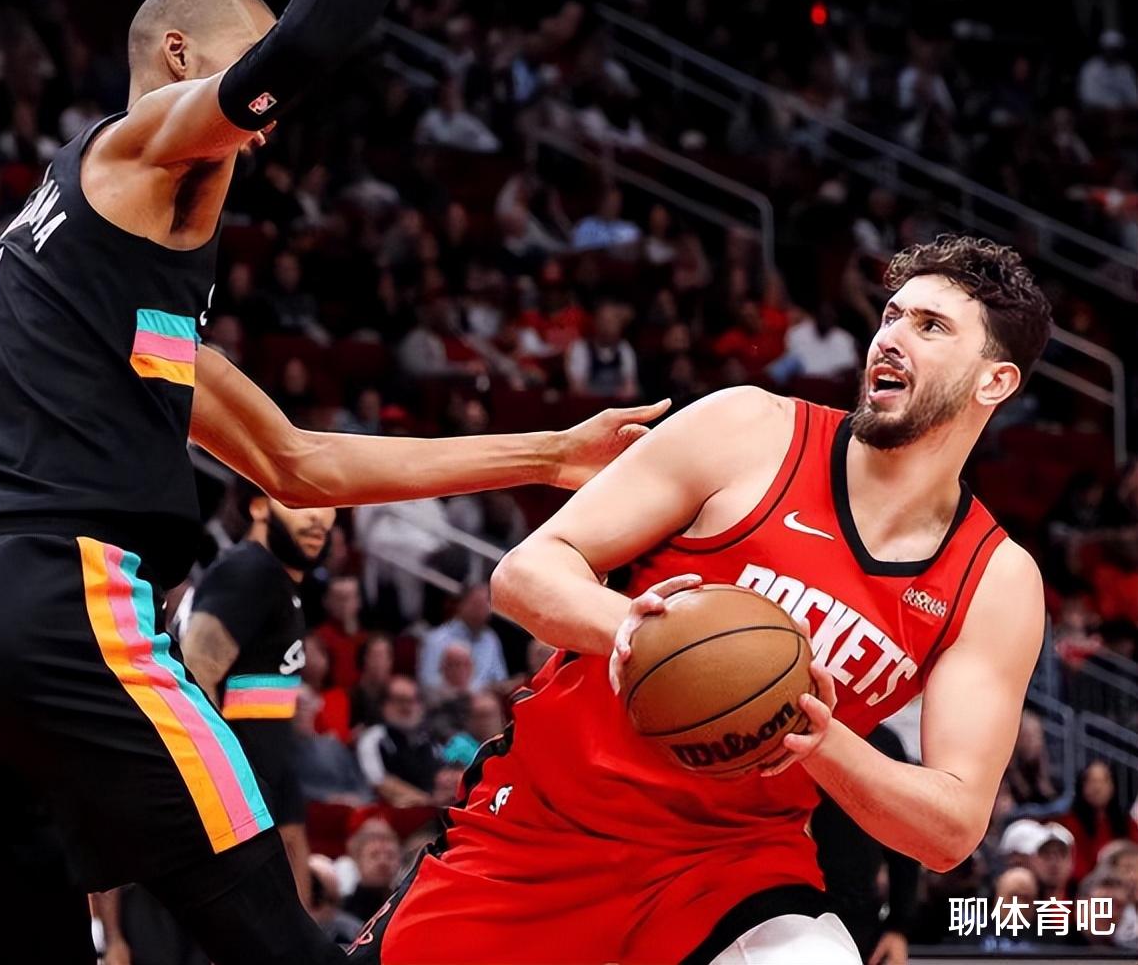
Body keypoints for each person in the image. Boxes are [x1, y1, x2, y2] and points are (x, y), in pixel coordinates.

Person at [0, 0, 666, 962]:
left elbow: (300, 465)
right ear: (176, 55)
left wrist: (551, 453)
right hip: (51, 589)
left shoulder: (95, 279)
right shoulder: (126, 149)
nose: (264, 122)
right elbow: (299, 53)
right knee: (272, 938)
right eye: (244, 65)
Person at [349, 235, 1053, 964]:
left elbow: (950, 829)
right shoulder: (749, 430)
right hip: (542, 825)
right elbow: (526, 573)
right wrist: (641, 629)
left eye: (931, 327)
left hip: (729, 868)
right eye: (892, 316)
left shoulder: (994, 580)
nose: (892, 338)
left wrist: (819, 736)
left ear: (994, 382)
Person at [178, 481, 337, 908]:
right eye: (301, 502)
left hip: (265, 789)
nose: (318, 517)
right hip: (230, 810)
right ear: (259, 506)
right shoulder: (250, 572)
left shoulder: (274, 579)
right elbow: (193, 673)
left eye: (327, 504)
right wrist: (230, 795)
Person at [812, 725, 917, 965]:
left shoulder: (882, 741)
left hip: (857, 913)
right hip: (780, 906)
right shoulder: (774, 736)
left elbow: (904, 844)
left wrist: (899, 925)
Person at [355, 676, 438, 807]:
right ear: (384, 705)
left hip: (431, 811)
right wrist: (429, 803)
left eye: (412, 700)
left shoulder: (428, 740)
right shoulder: (373, 738)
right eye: (400, 700)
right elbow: (378, 782)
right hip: (388, 811)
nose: (407, 707)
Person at [417, 584, 508, 693]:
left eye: (488, 604)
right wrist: (473, 691)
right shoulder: (435, 640)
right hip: (448, 700)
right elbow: (428, 683)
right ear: (461, 605)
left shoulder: (491, 639)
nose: (485, 610)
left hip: (487, 701)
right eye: (478, 604)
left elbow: (500, 679)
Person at [1059, 760, 1136, 881]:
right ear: (1082, 786)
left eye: (1103, 781)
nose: (1097, 787)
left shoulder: (1127, 823)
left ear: (1113, 786)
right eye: (1092, 781)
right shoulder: (1068, 823)